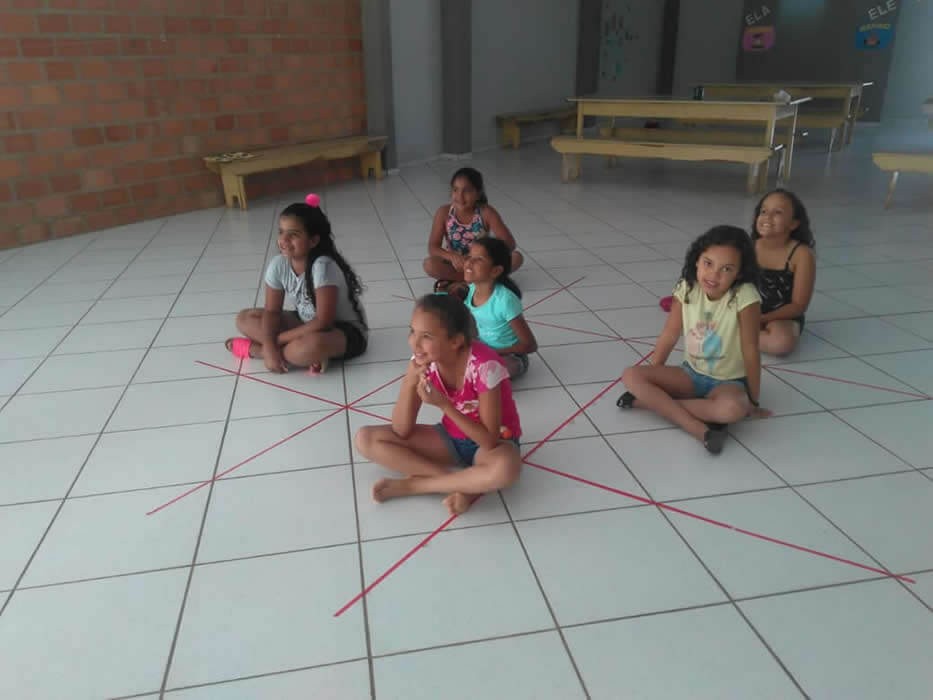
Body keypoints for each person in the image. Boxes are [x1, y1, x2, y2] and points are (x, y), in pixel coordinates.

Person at [354, 294, 522, 515]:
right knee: (365, 439)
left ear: (455, 341)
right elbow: (401, 430)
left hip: (493, 444)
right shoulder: (424, 360)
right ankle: (461, 484)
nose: (414, 342)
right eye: (412, 331)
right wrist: (410, 379)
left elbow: (489, 441)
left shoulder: (485, 366)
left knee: (505, 468)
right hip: (451, 438)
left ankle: (417, 485)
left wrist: (444, 406)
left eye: (426, 336)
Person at [618, 225, 769, 454]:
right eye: (708, 263)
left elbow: (751, 349)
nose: (714, 275)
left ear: (739, 274)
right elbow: (669, 335)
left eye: (726, 269)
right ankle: (697, 427)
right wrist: (654, 377)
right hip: (690, 375)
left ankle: (649, 403)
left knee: (733, 409)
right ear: (697, 260)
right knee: (631, 375)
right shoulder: (687, 286)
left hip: (728, 383)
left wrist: (754, 402)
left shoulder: (745, 295)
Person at [225, 193, 367, 374]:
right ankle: (281, 353)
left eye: (293, 235)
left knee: (307, 347)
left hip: (342, 330)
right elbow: (272, 311)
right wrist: (270, 342)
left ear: (313, 241)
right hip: (305, 322)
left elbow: (323, 322)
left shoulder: (323, 266)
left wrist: (274, 341)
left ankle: (257, 351)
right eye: (281, 232)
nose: (283, 240)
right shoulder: (278, 264)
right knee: (244, 318)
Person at [423, 167, 523, 296]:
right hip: (457, 264)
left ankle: (460, 284)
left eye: (467, 191)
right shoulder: (443, 212)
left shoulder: (486, 212)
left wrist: (485, 255)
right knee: (429, 264)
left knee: (516, 257)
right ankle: (476, 282)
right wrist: (452, 257)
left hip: (480, 264)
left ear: (478, 194)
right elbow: (433, 247)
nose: (460, 196)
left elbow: (509, 244)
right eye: (455, 190)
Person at [463, 237, 537, 378]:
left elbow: (530, 345)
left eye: (478, 259)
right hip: (483, 348)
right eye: (469, 257)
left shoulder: (505, 301)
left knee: (488, 371)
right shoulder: (471, 289)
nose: (469, 262)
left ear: (495, 271)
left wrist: (493, 352)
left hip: (510, 356)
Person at [753, 188, 816, 356]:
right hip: (749, 311)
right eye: (763, 211)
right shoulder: (748, 246)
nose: (767, 217)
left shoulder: (802, 254)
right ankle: (744, 334)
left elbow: (798, 305)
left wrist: (763, 319)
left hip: (782, 317)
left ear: (793, 223)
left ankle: (736, 336)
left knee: (781, 343)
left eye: (777, 212)